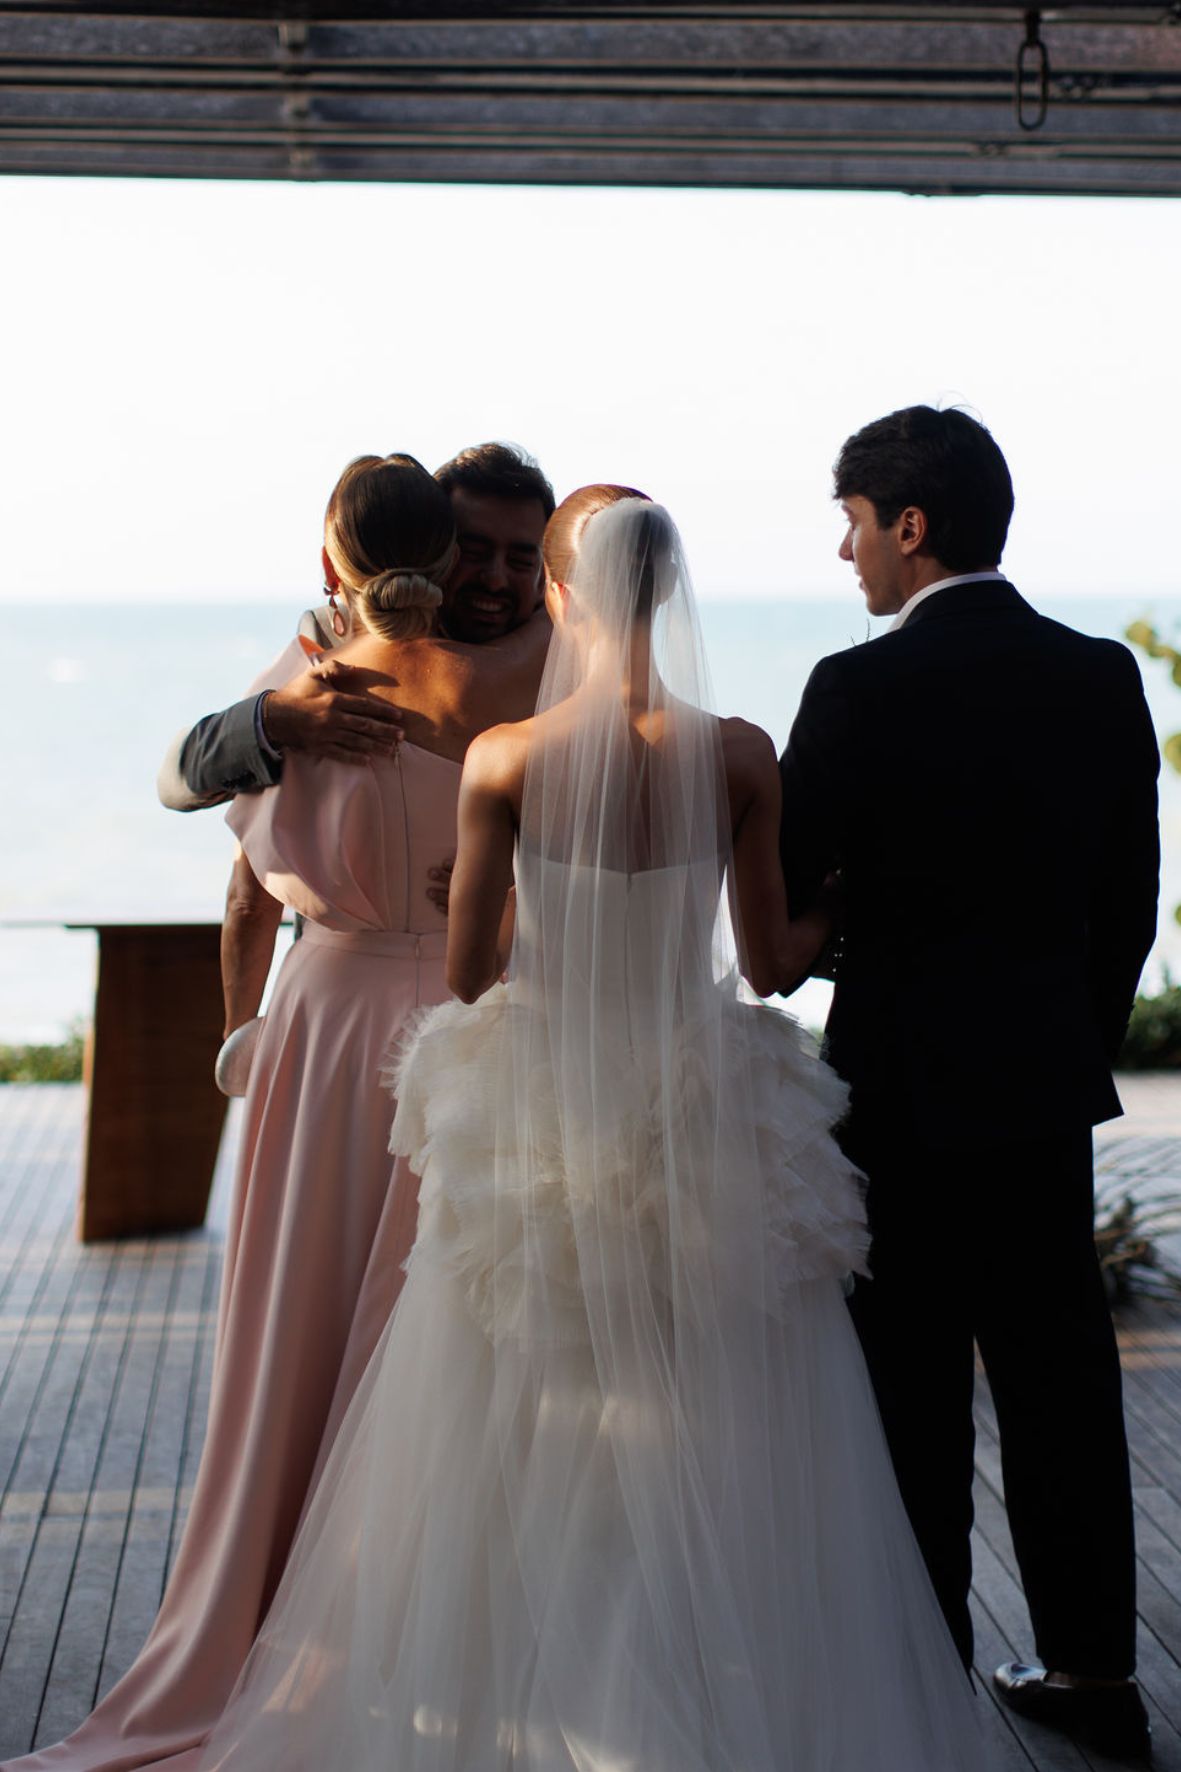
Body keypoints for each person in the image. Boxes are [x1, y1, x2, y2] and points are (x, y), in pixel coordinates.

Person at [194, 491, 988, 1772]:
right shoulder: (735, 754)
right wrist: (834, 908)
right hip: (697, 1106)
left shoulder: (508, 757)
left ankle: (537, 1690)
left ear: (558, 593)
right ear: (665, 591)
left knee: (523, 1398)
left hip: (545, 1116)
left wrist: (514, 907)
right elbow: (770, 962)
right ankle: (703, 1673)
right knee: (717, 1400)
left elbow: (468, 977)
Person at [4, 454, 550, 1772]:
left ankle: (418, 1629)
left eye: (519, 556)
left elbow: (242, 867)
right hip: (374, 1022)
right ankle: (320, 1629)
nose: (493, 576)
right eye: (476, 549)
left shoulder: (427, 663)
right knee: (314, 1336)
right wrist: (278, 722)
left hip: (429, 1023)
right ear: (435, 549)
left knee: (441, 1333)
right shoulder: (319, 680)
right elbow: (190, 774)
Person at [778, 405, 1160, 1761]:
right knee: (1062, 1387)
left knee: (908, 1392)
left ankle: (921, 1669)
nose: (845, 552)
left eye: (852, 523)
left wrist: (854, 922)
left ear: (909, 523)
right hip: (1041, 1095)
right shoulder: (1097, 676)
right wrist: (1064, 1040)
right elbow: (1127, 905)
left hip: (892, 1094)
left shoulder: (851, 687)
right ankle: (1095, 1674)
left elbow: (784, 900)